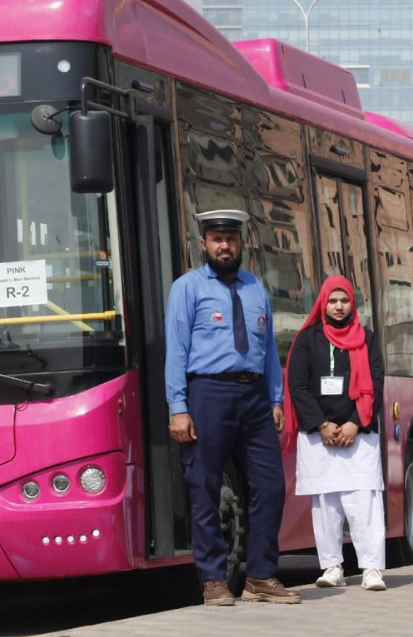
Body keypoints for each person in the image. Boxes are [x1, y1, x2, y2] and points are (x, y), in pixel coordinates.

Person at [164, 209, 300, 607]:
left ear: (242, 243)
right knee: (204, 486)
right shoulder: (187, 288)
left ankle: (260, 575)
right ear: (203, 244)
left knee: (270, 484)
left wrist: (276, 398)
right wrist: (178, 406)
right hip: (207, 394)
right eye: (217, 239)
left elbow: (269, 350)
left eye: (231, 239)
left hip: (254, 396)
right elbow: (176, 350)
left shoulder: (255, 288)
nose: (225, 246)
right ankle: (213, 580)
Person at [284, 276, 387, 591]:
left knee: (364, 502)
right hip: (320, 437)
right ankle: (332, 567)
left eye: (344, 301)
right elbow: (297, 386)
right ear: (323, 303)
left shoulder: (366, 338)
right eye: (333, 301)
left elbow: (376, 384)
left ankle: (371, 568)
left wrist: (355, 423)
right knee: (327, 505)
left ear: (352, 304)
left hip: (359, 435)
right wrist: (322, 425)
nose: (339, 307)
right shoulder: (307, 339)